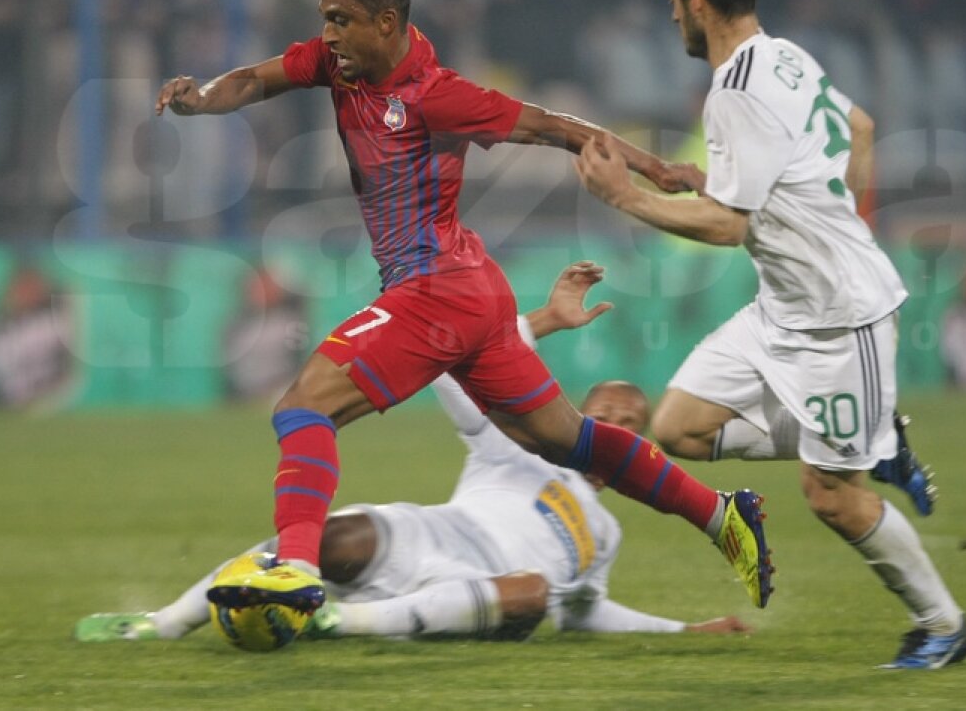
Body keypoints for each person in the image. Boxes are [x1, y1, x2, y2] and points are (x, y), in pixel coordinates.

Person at [153, 0, 772, 621]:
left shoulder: (435, 94)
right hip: (474, 291)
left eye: (340, 19)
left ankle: (296, 568)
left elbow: (550, 125)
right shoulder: (338, 62)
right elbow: (256, 79)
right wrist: (201, 98)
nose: (327, 34)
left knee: (303, 407)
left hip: (435, 290)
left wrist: (656, 169)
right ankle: (721, 515)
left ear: (385, 22)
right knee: (565, 438)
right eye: (324, 18)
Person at [575, 0, 966, 669]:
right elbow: (860, 126)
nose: (669, 17)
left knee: (830, 495)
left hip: (838, 318)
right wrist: (837, 214)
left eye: (671, 2)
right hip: (783, 308)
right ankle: (873, 438)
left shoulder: (735, 92)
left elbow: (728, 226)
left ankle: (944, 622)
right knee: (680, 425)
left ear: (697, 1)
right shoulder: (782, 55)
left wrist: (622, 197)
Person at [75, 263, 751, 643]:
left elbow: (586, 609)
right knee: (328, 535)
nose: (616, 423)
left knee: (536, 595)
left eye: (629, 422)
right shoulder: (512, 436)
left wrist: (684, 630)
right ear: (579, 409)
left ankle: (337, 620)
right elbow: (469, 351)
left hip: (478, 588)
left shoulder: (603, 532)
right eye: (604, 410)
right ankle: (165, 623)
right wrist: (543, 320)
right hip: (433, 535)